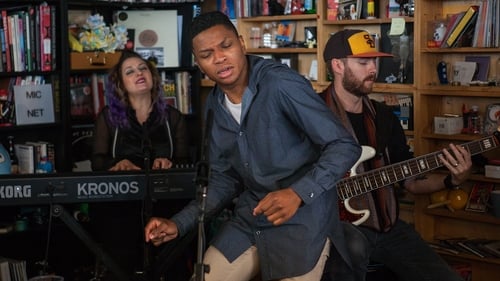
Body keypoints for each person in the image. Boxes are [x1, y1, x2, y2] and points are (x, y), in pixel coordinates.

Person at [144, 11, 361, 281]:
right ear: (199, 64)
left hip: (303, 220)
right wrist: (178, 223)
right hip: (251, 218)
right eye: (207, 54)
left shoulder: (280, 83)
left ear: (242, 44)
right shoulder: (214, 105)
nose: (219, 58)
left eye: (226, 46)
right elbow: (223, 180)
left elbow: (344, 145)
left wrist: (297, 193)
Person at [320, 29, 472, 281]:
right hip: (336, 231)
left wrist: (452, 180)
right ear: (337, 65)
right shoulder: (312, 115)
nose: (373, 69)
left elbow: (410, 181)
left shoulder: (384, 118)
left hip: (389, 227)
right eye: (363, 62)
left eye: (375, 61)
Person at [89, 50, 192, 279]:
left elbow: (186, 162)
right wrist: (118, 163)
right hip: (122, 204)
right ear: (121, 84)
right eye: (130, 71)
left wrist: (170, 162)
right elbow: (97, 162)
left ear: (153, 76)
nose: (139, 73)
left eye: (143, 68)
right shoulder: (108, 118)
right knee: (121, 261)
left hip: (166, 203)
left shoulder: (173, 118)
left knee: (172, 263)